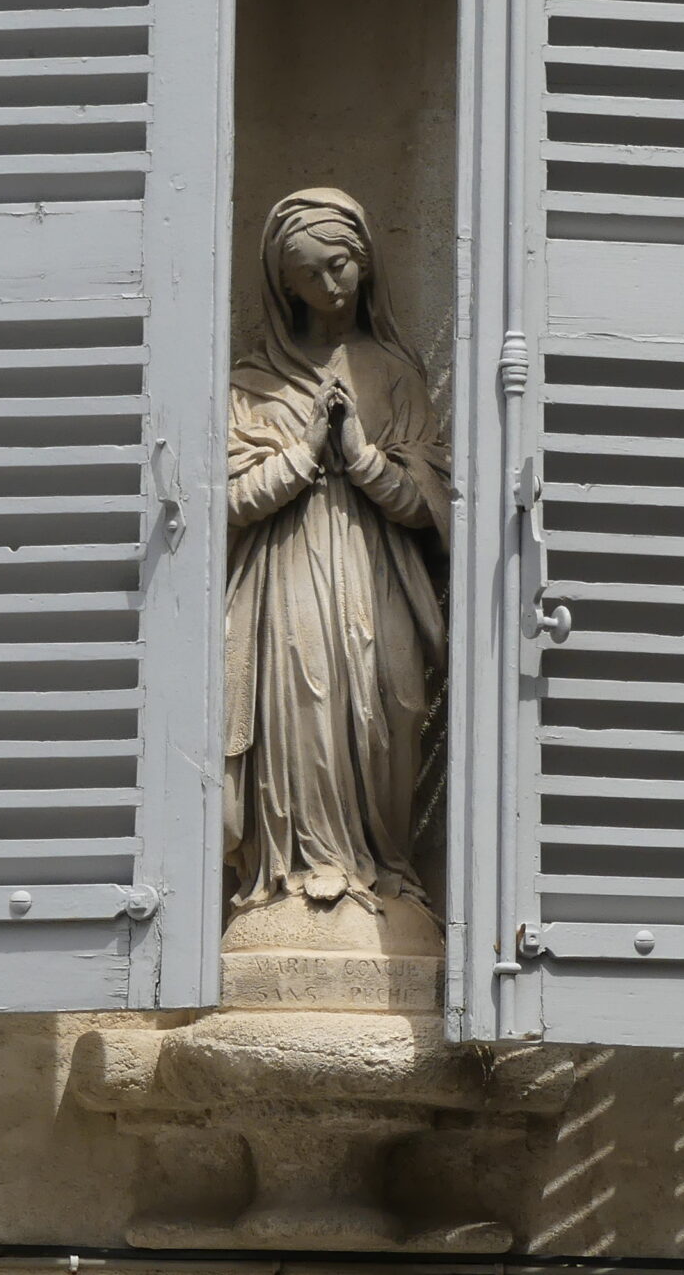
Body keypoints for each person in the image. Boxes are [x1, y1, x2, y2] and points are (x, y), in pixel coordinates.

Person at [223, 189, 452, 914]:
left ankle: (382, 863)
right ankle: (301, 868)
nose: (331, 285)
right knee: (306, 704)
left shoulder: (396, 377)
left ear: (366, 263)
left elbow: (432, 506)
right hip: (286, 576)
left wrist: (361, 457)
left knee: (387, 707)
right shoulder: (252, 385)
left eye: (341, 265)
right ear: (282, 284)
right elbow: (229, 501)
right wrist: (305, 452)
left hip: (377, 575)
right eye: (310, 274)